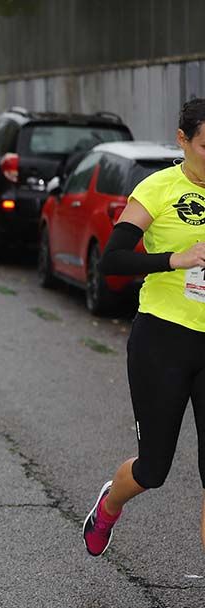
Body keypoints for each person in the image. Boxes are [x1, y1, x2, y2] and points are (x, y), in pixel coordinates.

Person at [86, 97, 205, 557]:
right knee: (154, 469)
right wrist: (175, 259)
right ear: (182, 140)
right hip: (164, 340)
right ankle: (109, 505)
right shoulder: (156, 190)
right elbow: (113, 260)